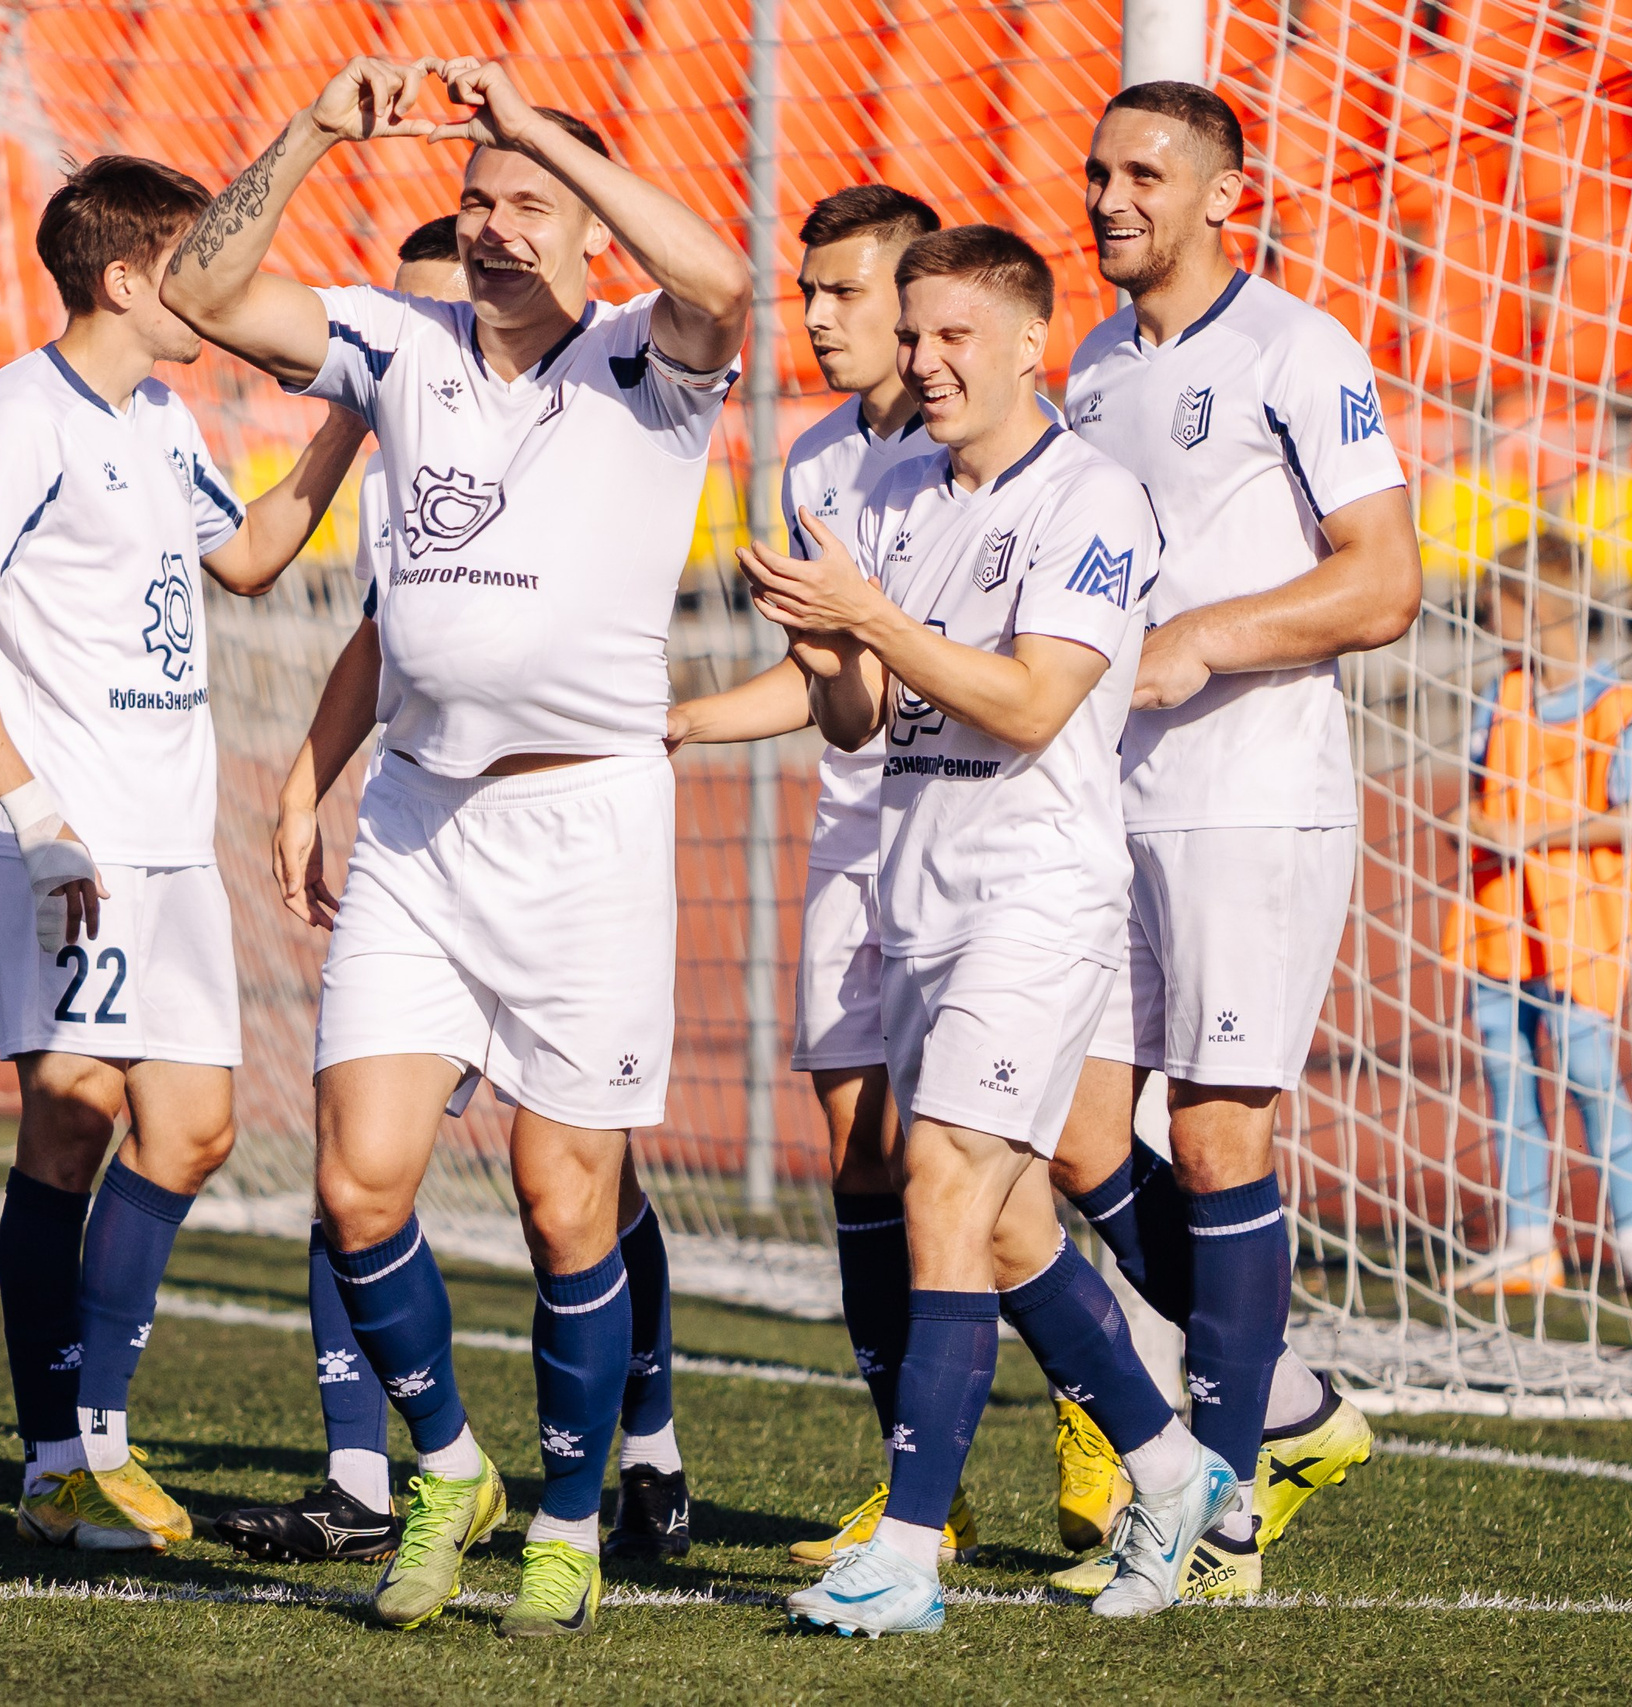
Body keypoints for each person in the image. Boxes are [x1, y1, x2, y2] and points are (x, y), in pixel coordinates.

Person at [163, 55, 752, 1637]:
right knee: (360, 1185)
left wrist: (542, 133)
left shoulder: (651, 362)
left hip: (590, 823)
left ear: (582, 230)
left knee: (571, 1201)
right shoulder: (395, 340)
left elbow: (724, 275)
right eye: (479, 203)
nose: (495, 229)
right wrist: (312, 131)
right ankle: (447, 1464)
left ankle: (570, 1513)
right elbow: (205, 285)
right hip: (423, 818)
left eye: (529, 208)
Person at [743, 224, 1233, 1633]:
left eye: (954, 335)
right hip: (917, 885)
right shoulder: (890, 490)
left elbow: (1028, 704)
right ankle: (1173, 1462)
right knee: (1010, 1224)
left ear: (1034, 342)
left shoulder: (1093, 495)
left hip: (1037, 887)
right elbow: (859, 716)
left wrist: (871, 619)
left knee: (944, 1182)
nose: (924, 360)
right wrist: (828, 643)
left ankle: (908, 1546)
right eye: (913, 335)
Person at [0, 155, 367, 1552]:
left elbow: (251, 559)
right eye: (194, 263)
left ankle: (99, 1437)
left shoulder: (162, 416)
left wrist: (357, 411)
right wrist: (36, 817)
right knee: (74, 1108)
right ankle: (60, 1459)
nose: (215, 289)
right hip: (77, 842)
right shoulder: (21, 414)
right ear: (125, 280)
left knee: (196, 1127)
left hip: (173, 845)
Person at [1048, 81, 1424, 1601]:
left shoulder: (1295, 346)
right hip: (1107, 793)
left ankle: (1225, 1509)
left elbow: (1383, 580)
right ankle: (1282, 1401)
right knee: (1074, 1130)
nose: (1113, 196)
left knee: (1215, 1133)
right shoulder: (1083, 364)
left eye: (1147, 172)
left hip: (1250, 790)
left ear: (1225, 195)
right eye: (1098, 171)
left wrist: (1206, 636)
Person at [663, 182, 982, 1570]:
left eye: (849, 293)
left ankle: (1109, 1427)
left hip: (985, 835)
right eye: (812, 293)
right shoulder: (810, 461)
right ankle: (919, 1478)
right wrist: (670, 716)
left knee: (998, 1166)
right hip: (855, 834)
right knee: (861, 1148)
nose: (825, 318)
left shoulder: (1008, 453)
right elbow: (824, 687)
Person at [1446, 534, 1632, 1301]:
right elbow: (1482, 800)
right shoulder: (1501, 693)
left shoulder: (1614, 705)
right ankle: (1526, 1240)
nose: (1484, 614)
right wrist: (1475, 823)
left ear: (1535, 607)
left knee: (1590, 1078)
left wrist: (1537, 836)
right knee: (1508, 1078)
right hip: (1499, 921)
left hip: (1577, 927)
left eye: (1496, 602)